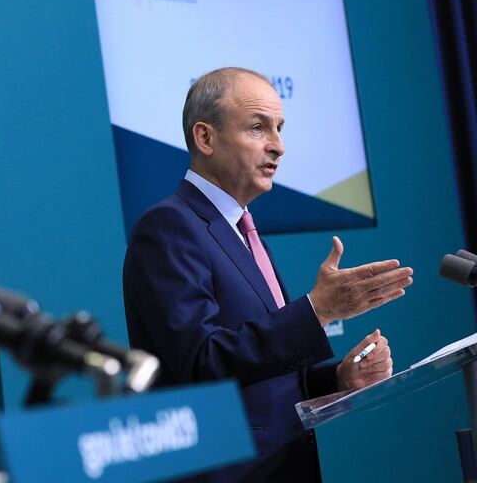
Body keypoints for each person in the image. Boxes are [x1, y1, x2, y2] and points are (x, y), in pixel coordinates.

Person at [123, 67, 412, 482]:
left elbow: (263, 383)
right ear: (205, 138)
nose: (278, 146)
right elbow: (203, 361)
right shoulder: (169, 227)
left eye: (279, 128)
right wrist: (318, 310)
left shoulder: (241, 231)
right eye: (258, 128)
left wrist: (337, 377)